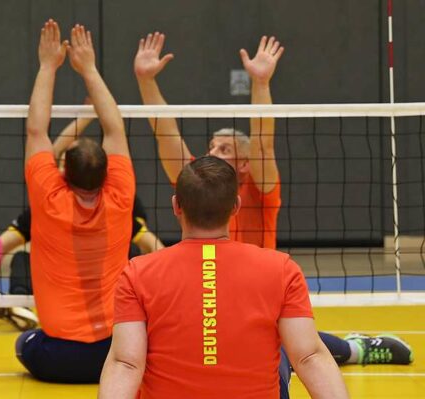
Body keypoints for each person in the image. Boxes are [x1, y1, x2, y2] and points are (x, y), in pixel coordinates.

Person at [134, 31, 413, 380]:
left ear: (244, 165)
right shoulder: (200, 184)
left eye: (223, 149)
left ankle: (358, 348)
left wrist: (260, 83)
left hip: (256, 300)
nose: (211, 152)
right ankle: (354, 348)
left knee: (280, 343)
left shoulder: (260, 189)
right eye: (211, 145)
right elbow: (165, 132)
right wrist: (145, 81)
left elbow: (263, 145)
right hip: (206, 296)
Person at [99, 156, 349, 398]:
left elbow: (126, 363)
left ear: (176, 205)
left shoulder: (137, 272)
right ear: (236, 206)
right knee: (286, 352)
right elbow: (309, 358)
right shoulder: (281, 268)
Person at [15, 20, 133, 384]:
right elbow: (115, 129)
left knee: (24, 343)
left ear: (63, 172)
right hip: (116, 355)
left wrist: (48, 65)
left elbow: (36, 130)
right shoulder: (121, 194)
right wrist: (90, 69)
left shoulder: (50, 198)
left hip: (58, 357)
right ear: (107, 173)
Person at [0, 115, 164, 331]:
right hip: (74, 295)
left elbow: (46, 148)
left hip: (106, 282)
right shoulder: (49, 206)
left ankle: (133, 304)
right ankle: (20, 305)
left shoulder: (113, 204)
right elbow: (0, 244)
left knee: (131, 254)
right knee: (22, 259)